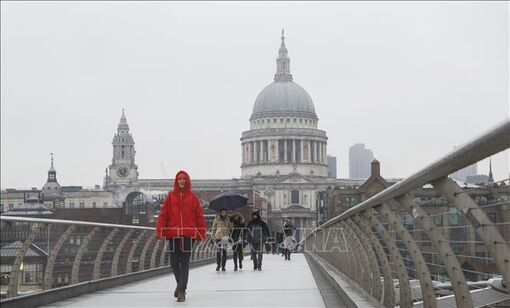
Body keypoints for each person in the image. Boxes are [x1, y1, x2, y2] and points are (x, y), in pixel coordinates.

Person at [156, 170, 206, 303]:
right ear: (176, 182)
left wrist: (201, 232)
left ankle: (181, 292)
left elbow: (199, 216)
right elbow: (163, 215)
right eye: (179, 179)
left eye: (184, 179)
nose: (181, 181)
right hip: (173, 235)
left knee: (184, 263)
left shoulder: (193, 197)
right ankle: (180, 286)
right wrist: (160, 231)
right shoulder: (170, 196)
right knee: (173, 263)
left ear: (187, 181)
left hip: (187, 235)